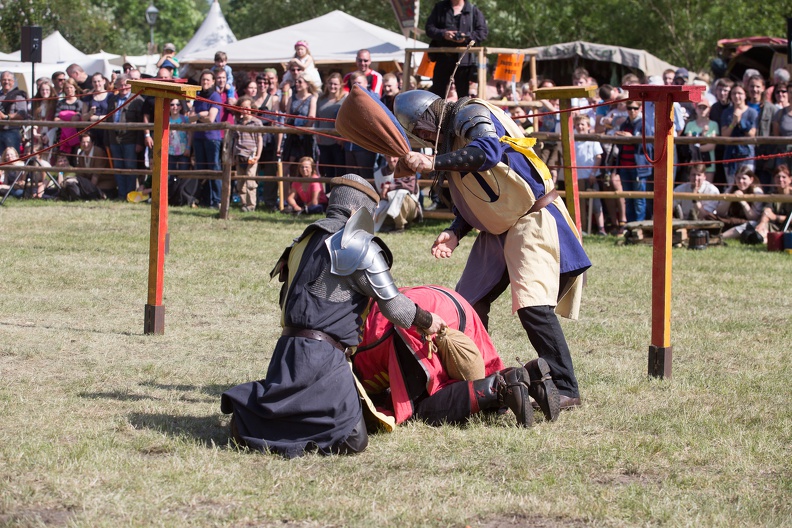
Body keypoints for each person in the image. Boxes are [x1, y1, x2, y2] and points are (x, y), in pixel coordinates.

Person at [220, 175, 457, 457]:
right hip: (323, 358)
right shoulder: (355, 245)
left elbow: (286, 301)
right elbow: (393, 306)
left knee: (294, 406)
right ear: (359, 211)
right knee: (352, 440)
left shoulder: (302, 242)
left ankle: (251, 421)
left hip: (286, 351)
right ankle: (254, 422)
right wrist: (428, 321)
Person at [395, 90, 591, 409]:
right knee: (465, 308)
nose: (424, 137)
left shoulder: (469, 112)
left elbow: (487, 152)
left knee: (533, 307)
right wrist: (455, 232)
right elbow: (478, 193)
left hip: (530, 218)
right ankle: (485, 384)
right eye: (418, 135)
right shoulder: (449, 140)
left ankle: (566, 386)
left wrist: (432, 162)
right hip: (497, 231)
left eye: (422, 129)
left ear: (431, 115)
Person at [354, 285, 560, 429]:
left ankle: (501, 387)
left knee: (422, 409)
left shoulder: (341, 357)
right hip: (449, 302)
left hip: (410, 321)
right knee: (473, 386)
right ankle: (530, 377)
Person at [425, 0, 488, 98]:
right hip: (443, 57)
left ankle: (462, 113)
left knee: (463, 96)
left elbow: (482, 32)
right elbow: (429, 28)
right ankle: (437, 113)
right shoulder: (440, 8)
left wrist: (465, 37)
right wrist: (443, 34)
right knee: (436, 94)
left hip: (464, 61)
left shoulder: (473, 10)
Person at [105, 74, 145, 200]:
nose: (123, 87)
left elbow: (141, 123)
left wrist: (140, 142)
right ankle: (121, 194)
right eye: (120, 85)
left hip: (131, 139)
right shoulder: (112, 100)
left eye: (126, 84)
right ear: (116, 86)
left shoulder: (138, 100)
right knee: (118, 167)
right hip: (114, 139)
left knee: (130, 167)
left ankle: (129, 194)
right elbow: (108, 120)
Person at [189, 69, 223, 208]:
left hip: (212, 138)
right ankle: (204, 199)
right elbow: (190, 117)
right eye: (203, 80)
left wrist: (199, 116)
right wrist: (199, 115)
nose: (205, 82)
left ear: (213, 81)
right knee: (200, 169)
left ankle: (216, 200)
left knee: (213, 169)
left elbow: (211, 118)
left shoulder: (215, 96)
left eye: (208, 80)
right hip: (198, 137)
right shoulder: (197, 96)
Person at [615, 101, 651, 222]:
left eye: (635, 108)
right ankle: (630, 226)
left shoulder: (644, 125)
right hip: (625, 166)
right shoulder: (624, 124)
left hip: (638, 168)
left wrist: (631, 138)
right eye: (629, 108)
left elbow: (648, 147)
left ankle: (639, 225)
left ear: (640, 108)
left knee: (639, 200)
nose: (632, 111)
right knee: (628, 198)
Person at [372, 155, 422, 233]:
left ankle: (400, 226)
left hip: (410, 207)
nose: (391, 160)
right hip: (387, 205)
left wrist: (389, 187)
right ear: (385, 157)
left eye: (394, 157)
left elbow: (410, 187)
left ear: (399, 157)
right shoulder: (379, 174)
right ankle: (387, 224)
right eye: (389, 157)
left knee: (401, 194)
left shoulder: (407, 170)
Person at [572, 115, 605, 234]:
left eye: (582, 124)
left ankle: (601, 228)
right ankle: (582, 229)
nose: (580, 127)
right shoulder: (573, 139)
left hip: (591, 176)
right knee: (579, 205)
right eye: (578, 125)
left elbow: (598, 157)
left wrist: (593, 173)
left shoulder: (592, 139)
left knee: (596, 203)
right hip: (577, 177)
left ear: (588, 126)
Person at [720, 82, 758, 186]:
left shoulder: (752, 112)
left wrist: (741, 122)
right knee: (732, 186)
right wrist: (733, 123)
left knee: (746, 185)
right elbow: (724, 135)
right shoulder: (726, 113)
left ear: (745, 95)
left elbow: (752, 135)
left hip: (747, 155)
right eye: (734, 93)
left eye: (740, 93)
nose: (737, 96)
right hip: (730, 155)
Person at [280, 74, 317, 177]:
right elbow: (287, 117)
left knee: (307, 165)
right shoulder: (292, 98)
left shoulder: (312, 98)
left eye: (300, 82)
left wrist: (302, 130)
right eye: (296, 81)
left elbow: (311, 118)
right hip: (292, 136)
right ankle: (286, 192)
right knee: (287, 166)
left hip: (305, 137)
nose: (297, 84)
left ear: (307, 84)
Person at [715, 166, 764, 239]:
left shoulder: (757, 192)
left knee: (752, 224)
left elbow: (754, 217)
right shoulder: (730, 189)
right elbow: (719, 212)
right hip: (731, 220)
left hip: (745, 222)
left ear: (751, 180)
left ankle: (720, 237)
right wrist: (730, 199)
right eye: (738, 178)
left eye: (744, 178)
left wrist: (742, 201)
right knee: (710, 216)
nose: (741, 181)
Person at [233, 96, 263, 213]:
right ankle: (243, 203)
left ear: (251, 108)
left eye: (247, 107)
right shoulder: (238, 123)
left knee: (250, 181)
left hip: (251, 154)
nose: (245, 110)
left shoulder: (256, 122)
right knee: (240, 182)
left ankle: (251, 205)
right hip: (239, 154)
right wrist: (233, 155)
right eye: (242, 108)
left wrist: (258, 155)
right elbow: (235, 141)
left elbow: (259, 140)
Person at [315, 72, 347, 180]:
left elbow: (346, 119)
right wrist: (316, 133)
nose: (332, 86)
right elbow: (316, 117)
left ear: (340, 85)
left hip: (337, 141)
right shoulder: (321, 99)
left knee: (340, 171)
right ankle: (328, 195)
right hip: (323, 140)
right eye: (330, 83)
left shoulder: (344, 99)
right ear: (327, 84)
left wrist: (343, 137)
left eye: (335, 84)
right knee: (328, 172)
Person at [166, 100, 197, 207]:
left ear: (180, 107)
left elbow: (190, 133)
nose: (175, 107)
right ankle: (169, 198)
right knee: (169, 176)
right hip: (169, 151)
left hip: (183, 151)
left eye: (177, 105)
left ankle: (182, 198)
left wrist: (188, 147)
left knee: (183, 176)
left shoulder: (185, 119)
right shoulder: (166, 119)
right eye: (172, 104)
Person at [681, 97, 719, 182]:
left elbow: (712, 145)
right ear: (696, 108)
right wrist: (703, 137)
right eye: (700, 107)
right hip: (694, 160)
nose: (702, 110)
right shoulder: (690, 124)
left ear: (709, 109)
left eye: (704, 108)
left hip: (709, 161)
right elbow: (689, 142)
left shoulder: (713, 125)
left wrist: (696, 147)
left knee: (707, 187)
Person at [755, 164, 791, 240]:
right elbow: (767, 211)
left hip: (790, 228)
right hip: (775, 226)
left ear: (790, 179)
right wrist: (762, 223)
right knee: (761, 227)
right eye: (778, 177)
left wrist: (776, 217)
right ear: (774, 179)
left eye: (784, 177)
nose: (781, 179)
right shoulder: (773, 195)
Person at [74, 133, 114, 199]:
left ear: (92, 143)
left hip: (104, 181)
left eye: (88, 142)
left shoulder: (99, 152)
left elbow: (96, 174)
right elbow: (81, 174)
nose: (85, 145)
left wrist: (88, 189)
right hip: (91, 182)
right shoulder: (81, 154)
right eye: (83, 142)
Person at [0, 71, 28, 152]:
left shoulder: (18, 95)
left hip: (11, 131)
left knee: (12, 158)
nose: (6, 82)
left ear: (13, 81)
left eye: (9, 80)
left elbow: (22, 113)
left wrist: (6, 117)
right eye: (4, 80)